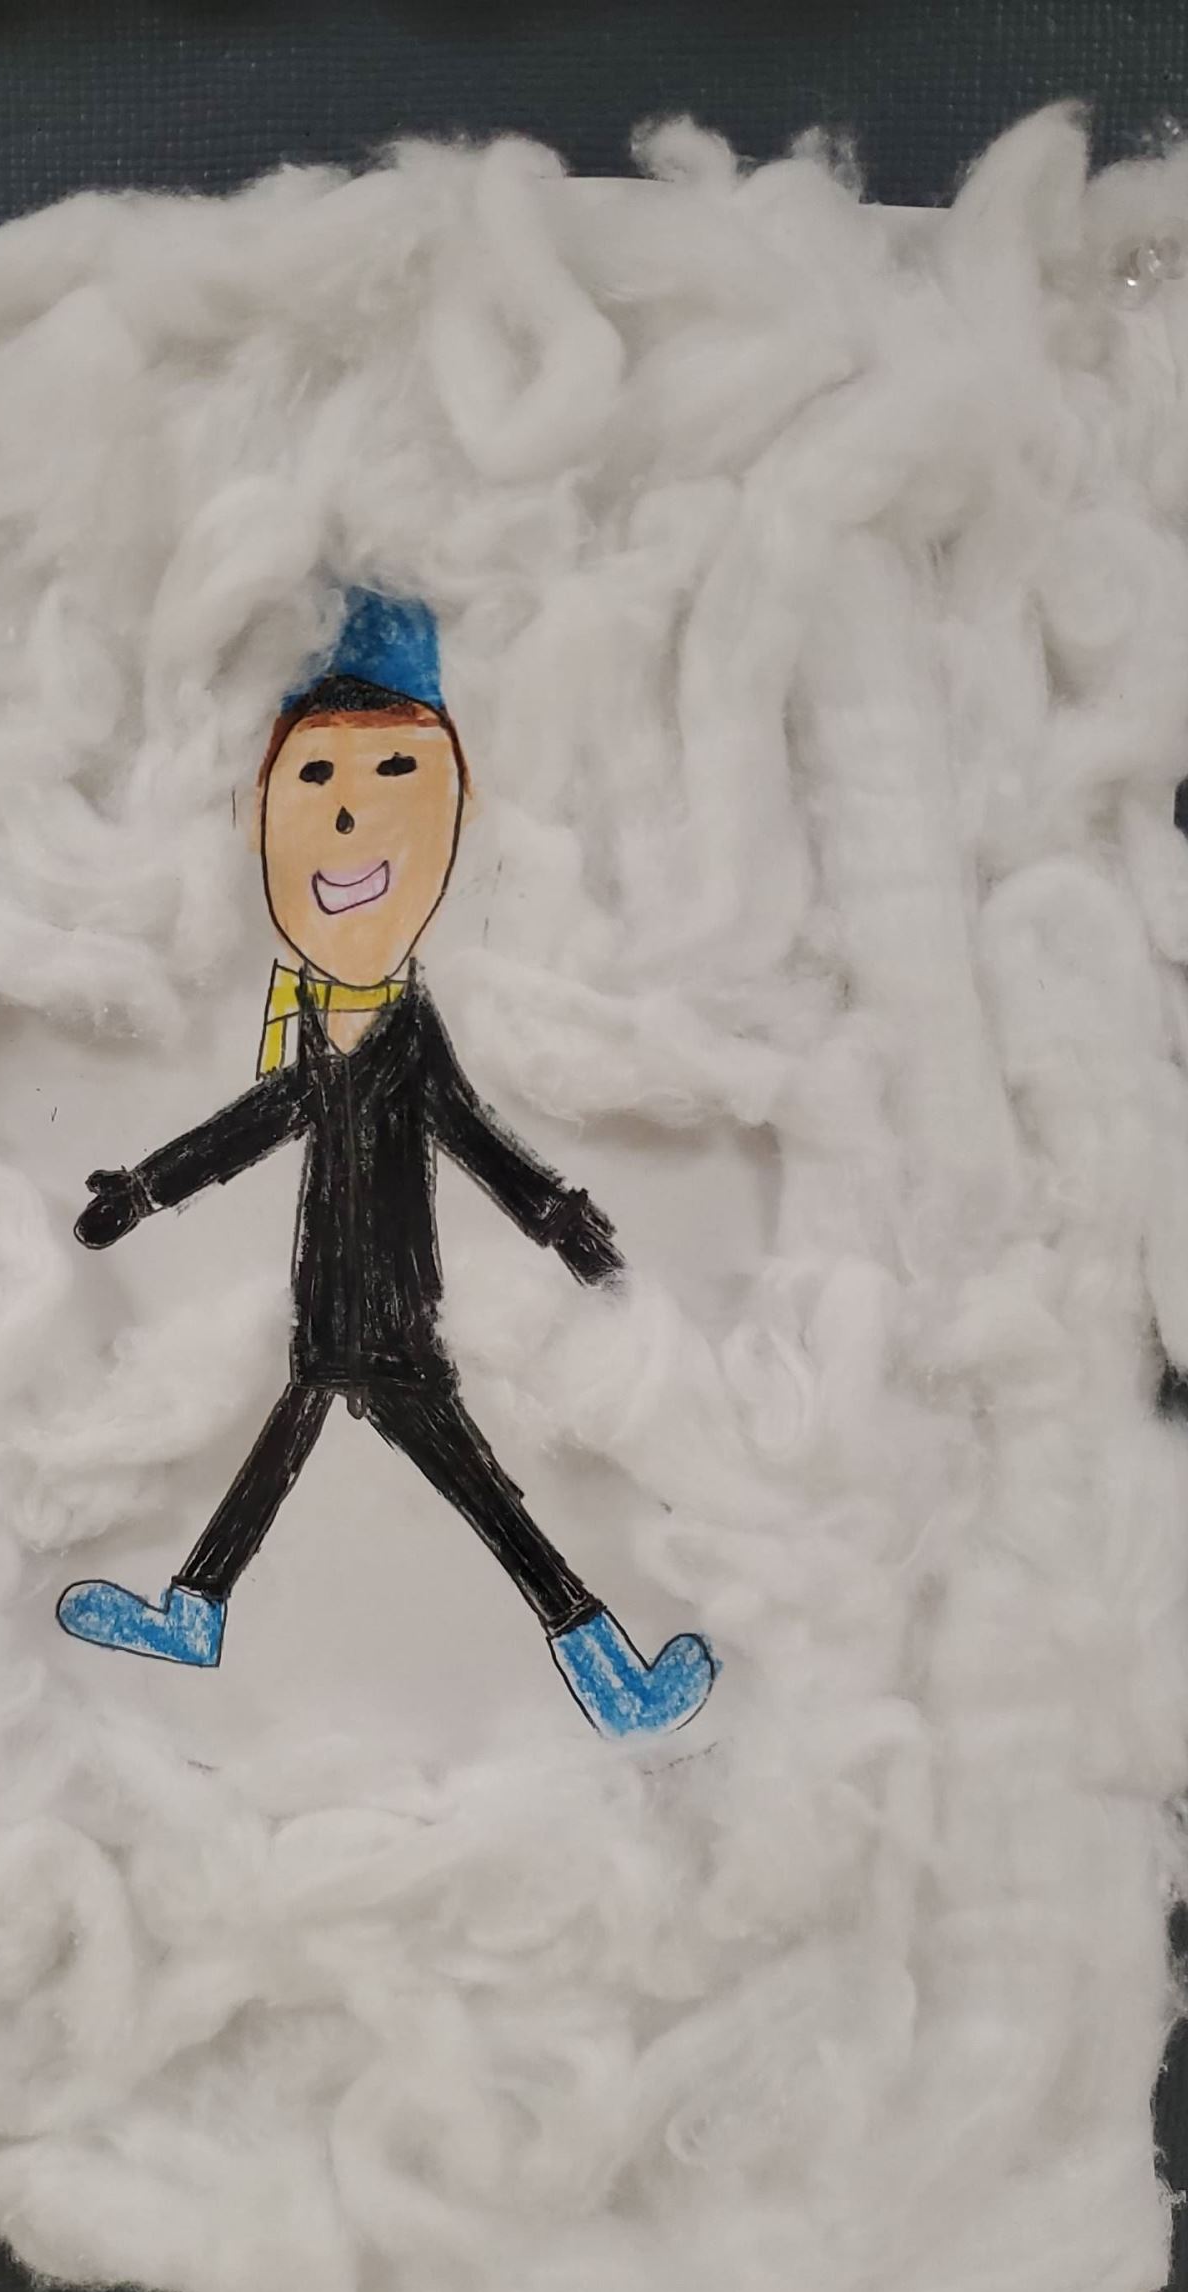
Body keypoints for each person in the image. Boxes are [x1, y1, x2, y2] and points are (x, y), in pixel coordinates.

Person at [57, 589, 718, 1739]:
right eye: (316, 779)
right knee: (315, 1447)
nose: (352, 816)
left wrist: (559, 1218)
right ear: (261, 813)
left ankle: (606, 1669)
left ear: (457, 812)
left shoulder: (409, 1030)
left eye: (394, 775)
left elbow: (470, 1135)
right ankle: (200, 1611)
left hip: (397, 1321)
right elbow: (259, 1120)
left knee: (481, 1494)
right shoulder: (316, 1028)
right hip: (331, 1312)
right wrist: (145, 1188)